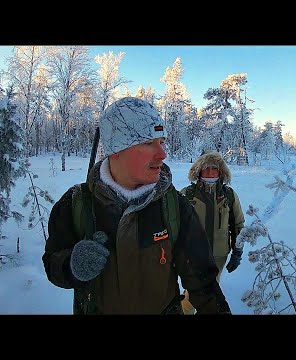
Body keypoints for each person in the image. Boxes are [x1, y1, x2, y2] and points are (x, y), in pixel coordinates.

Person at [42, 97, 231, 315]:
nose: (162, 154)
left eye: (161, 142)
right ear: (116, 149)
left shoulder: (174, 205)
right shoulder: (75, 203)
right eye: (148, 143)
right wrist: (72, 265)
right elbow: (52, 266)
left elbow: (203, 283)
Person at [180, 150, 245, 314]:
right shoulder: (187, 194)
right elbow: (175, 225)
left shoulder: (229, 195)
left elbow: (238, 224)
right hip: (193, 254)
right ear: (199, 171)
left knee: (209, 289)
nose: (210, 172)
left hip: (218, 255)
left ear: (220, 171)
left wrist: (237, 252)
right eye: (206, 168)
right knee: (195, 293)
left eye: (214, 168)